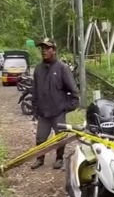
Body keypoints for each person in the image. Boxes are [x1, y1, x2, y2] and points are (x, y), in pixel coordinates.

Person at [30, 38, 79, 170]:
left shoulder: (62, 68)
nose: (44, 51)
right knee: (40, 138)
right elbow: (35, 90)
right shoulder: (38, 70)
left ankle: (59, 159)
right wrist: (35, 109)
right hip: (43, 113)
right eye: (42, 48)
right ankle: (40, 159)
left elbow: (74, 93)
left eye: (47, 48)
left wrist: (65, 108)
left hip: (58, 113)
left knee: (60, 137)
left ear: (54, 50)